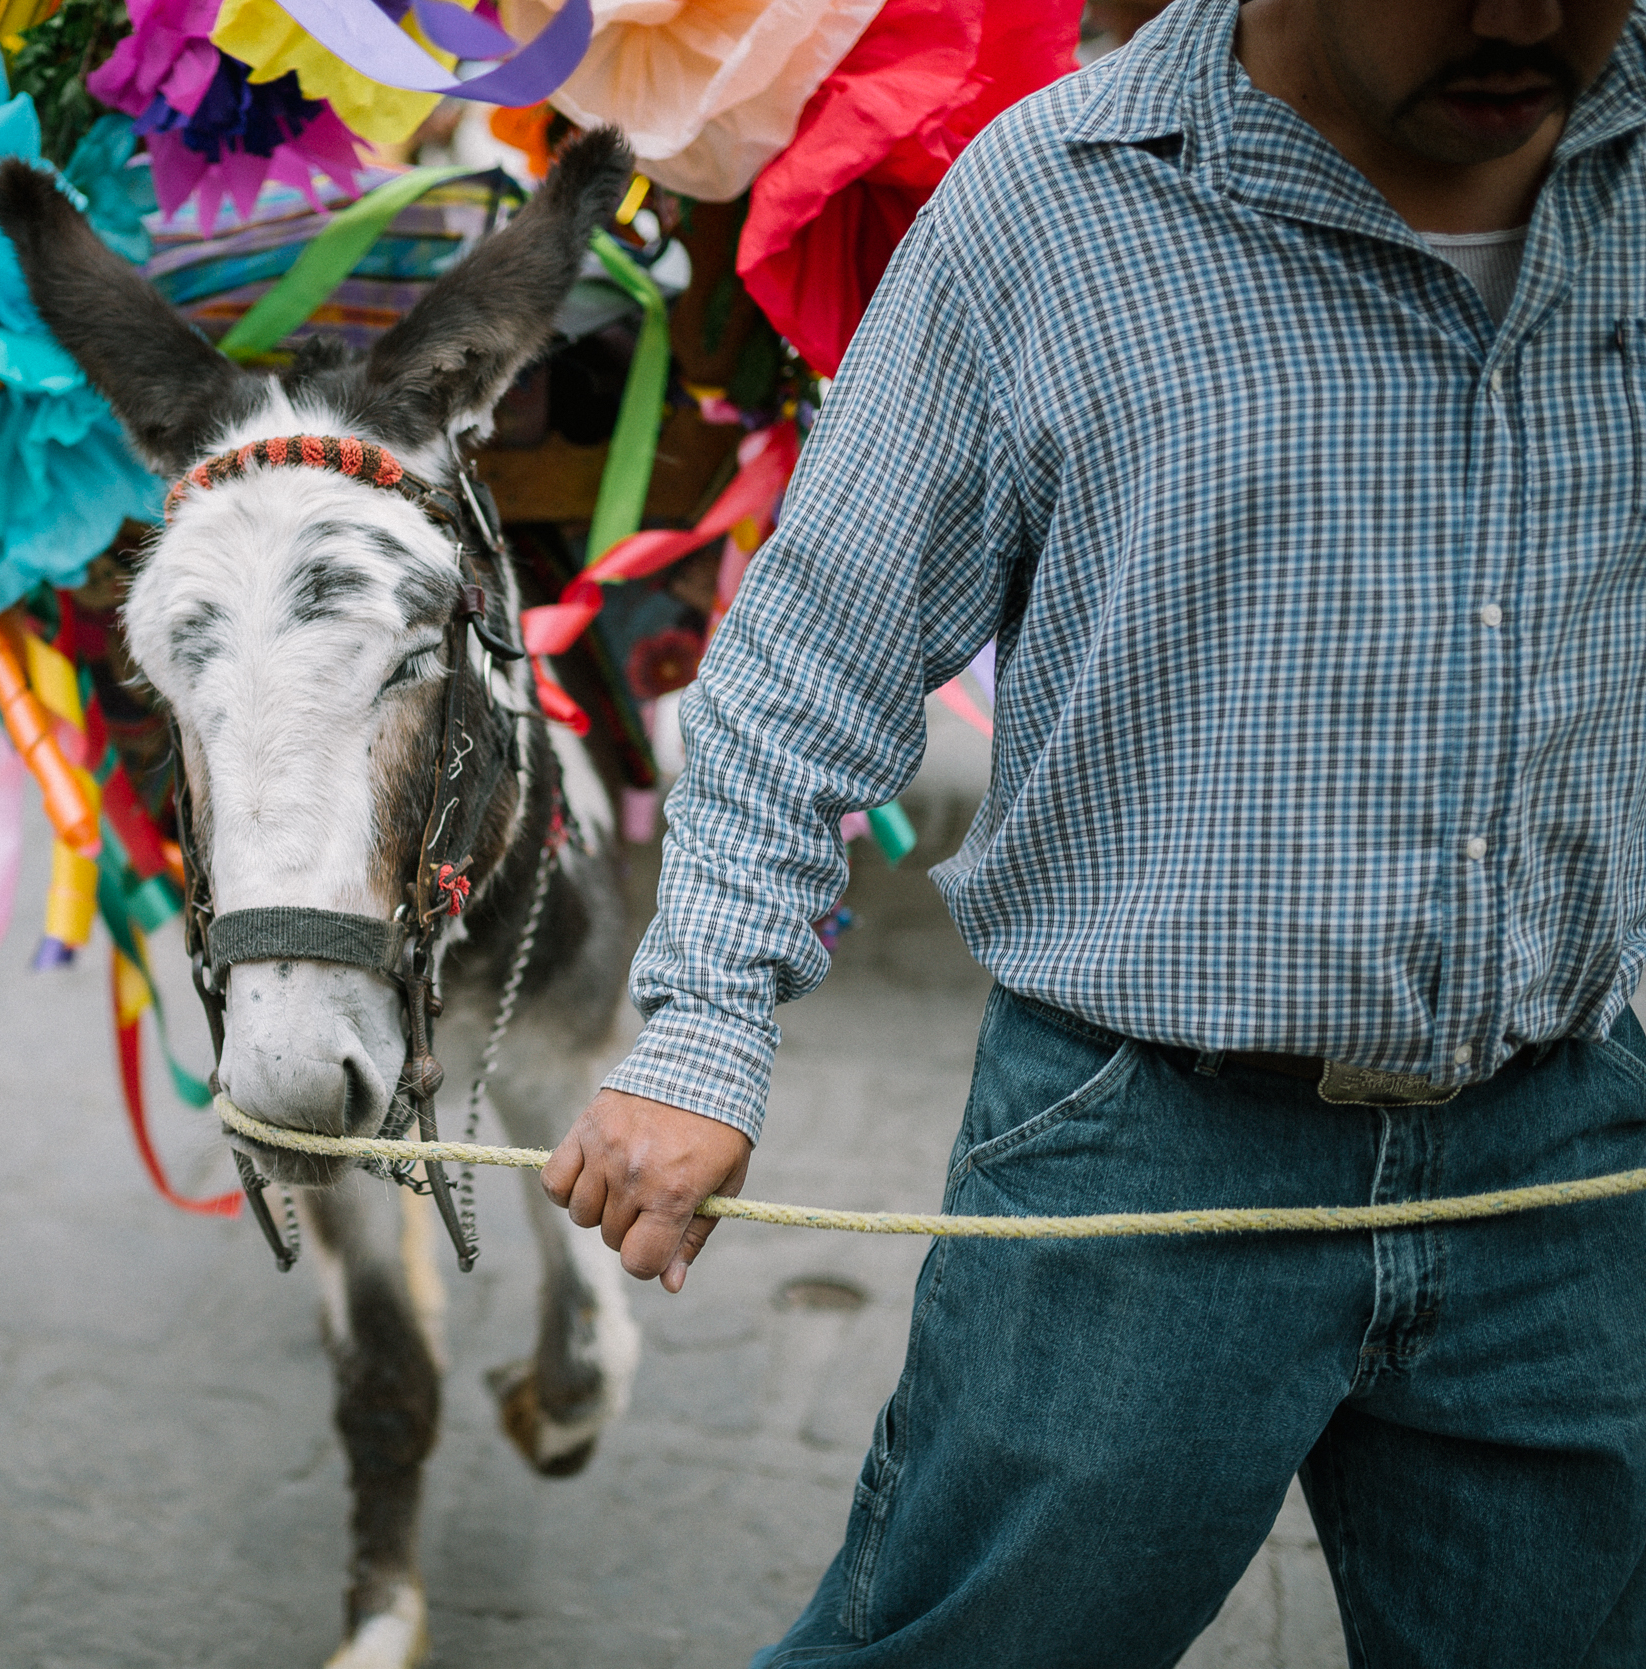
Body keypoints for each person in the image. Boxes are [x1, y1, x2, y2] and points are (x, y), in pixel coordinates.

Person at [540, 0, 1646, 1662]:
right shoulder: (1055, 203)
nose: (1522, 21)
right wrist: (701, 1027)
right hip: (1152, 1147)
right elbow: (808, 651)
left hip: (1564, 1147)